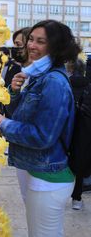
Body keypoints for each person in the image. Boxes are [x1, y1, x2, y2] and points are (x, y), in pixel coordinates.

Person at [0, 20, 81, 237]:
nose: (32, 45)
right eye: (31, 39)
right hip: (39, 171)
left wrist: (5, 124)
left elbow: (43, 136)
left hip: (49, 177)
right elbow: (24, 114)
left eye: (41, 41)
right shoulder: (37, 76)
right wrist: (15, 93)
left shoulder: (53, 82)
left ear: (56, 47)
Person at [66, 59, 90, 210]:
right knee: (80, 163)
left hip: (66, 129)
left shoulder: (64, 82)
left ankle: (62, 193)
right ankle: (77, 198)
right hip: (83, 131)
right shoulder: (88, 84)